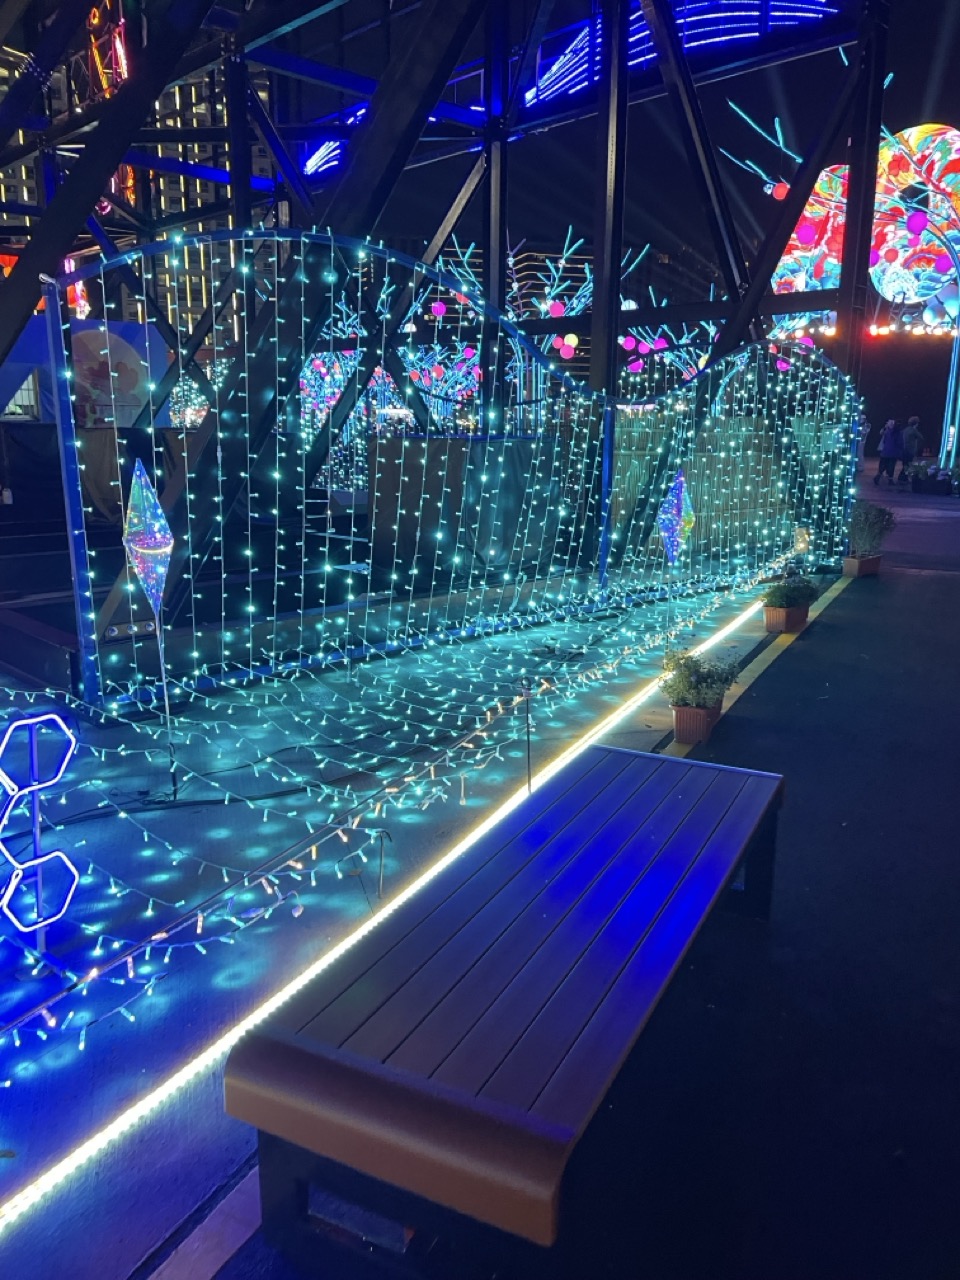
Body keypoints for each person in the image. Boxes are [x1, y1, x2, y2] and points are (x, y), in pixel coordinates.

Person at [875, 419, 903, 486]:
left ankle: (878, 477)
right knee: (891, 466)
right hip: (893, 453)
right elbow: (899, 442)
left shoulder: (886, 432)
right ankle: (890, 480)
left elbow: (884, 441)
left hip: (885, 452)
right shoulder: (898, 433)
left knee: (883, 465)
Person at [900, 415, 924, 481]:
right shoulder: (913, 430)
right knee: (908, 465)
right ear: (916, 423)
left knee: (905, 464)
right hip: (910, 450)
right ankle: (902, 478)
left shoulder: (905, 429)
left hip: (904, 450)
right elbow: (921, 437)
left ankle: (902, 478)